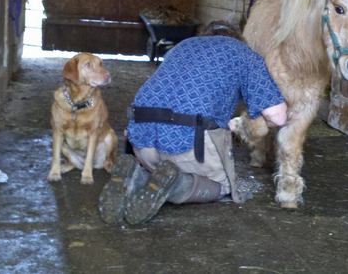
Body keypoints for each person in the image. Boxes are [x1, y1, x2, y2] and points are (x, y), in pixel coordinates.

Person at [98, 20, 287, 225]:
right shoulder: (244, 54)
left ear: (205, 35)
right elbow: (278, 116)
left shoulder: (182, 47)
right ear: (239, 39)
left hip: (140, 139)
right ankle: (176, 185)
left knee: (160, 166)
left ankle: (137, 175)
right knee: (224, 187)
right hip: (187, 143)